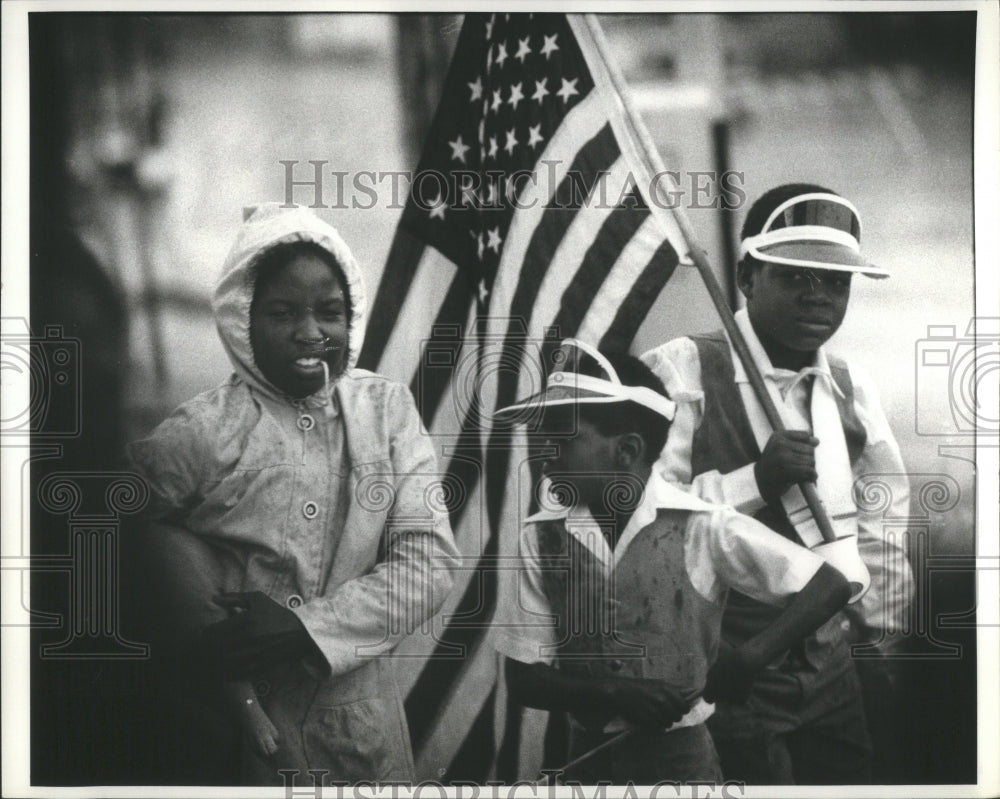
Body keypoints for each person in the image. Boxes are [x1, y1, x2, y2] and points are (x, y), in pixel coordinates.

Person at [128, 203, 459, 785]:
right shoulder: (203, 431)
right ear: (241, 321)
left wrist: (303, 627)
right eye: (282, 313)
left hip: (359, 733)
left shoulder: (386, 411)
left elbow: (427, 566)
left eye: (330, 312)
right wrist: (185, 618)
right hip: (237, 734)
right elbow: (109, 520)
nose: (311, 333)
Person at [641, 183, 914, 785]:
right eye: (795, 276)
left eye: (836, 281)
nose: (819, 295)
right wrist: (753, 482)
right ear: (746, 277)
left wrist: (877, 646)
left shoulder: (851, 387)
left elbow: (882, 529)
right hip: (725, 668)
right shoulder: (681, 369)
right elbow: (643, 520)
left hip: (833, 668)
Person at [492, 340, 851, 784]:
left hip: (682, 765)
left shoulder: (702, 526)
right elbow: (524, 679)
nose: (545, 456)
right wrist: (616, 692)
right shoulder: (542, 537)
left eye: (563, 440)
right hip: (587, 762)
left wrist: (748, 659)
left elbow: (830, 584)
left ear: (626, 450)